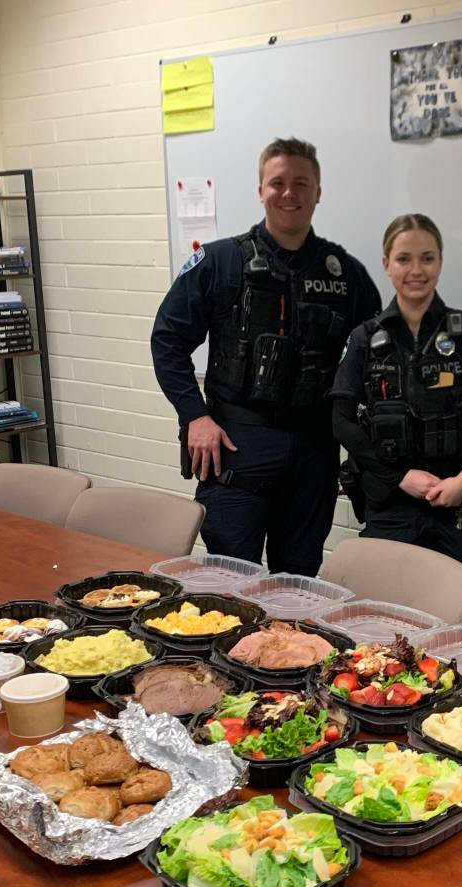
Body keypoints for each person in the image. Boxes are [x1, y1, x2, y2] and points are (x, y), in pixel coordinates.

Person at [150, 137, 381, 575]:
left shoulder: (346, 274)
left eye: (301, 183)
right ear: (260, 190)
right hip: (236, 446)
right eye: (278, 183)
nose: (289, 193)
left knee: (297, 587)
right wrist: (194, 416)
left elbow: (376, 359)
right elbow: (167, 340)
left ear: (318, 191)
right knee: (231, 584)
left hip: (314, 451)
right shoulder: (219, 262)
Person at [330, 214, 462, 627]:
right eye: (403, 259)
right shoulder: (366, 338)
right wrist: (399, 475)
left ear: (440, 262)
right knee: (382, 623)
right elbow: (342, 421)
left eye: (427, 258)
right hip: (393, 507)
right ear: (386, 264)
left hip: (461, 505)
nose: (416, 270)